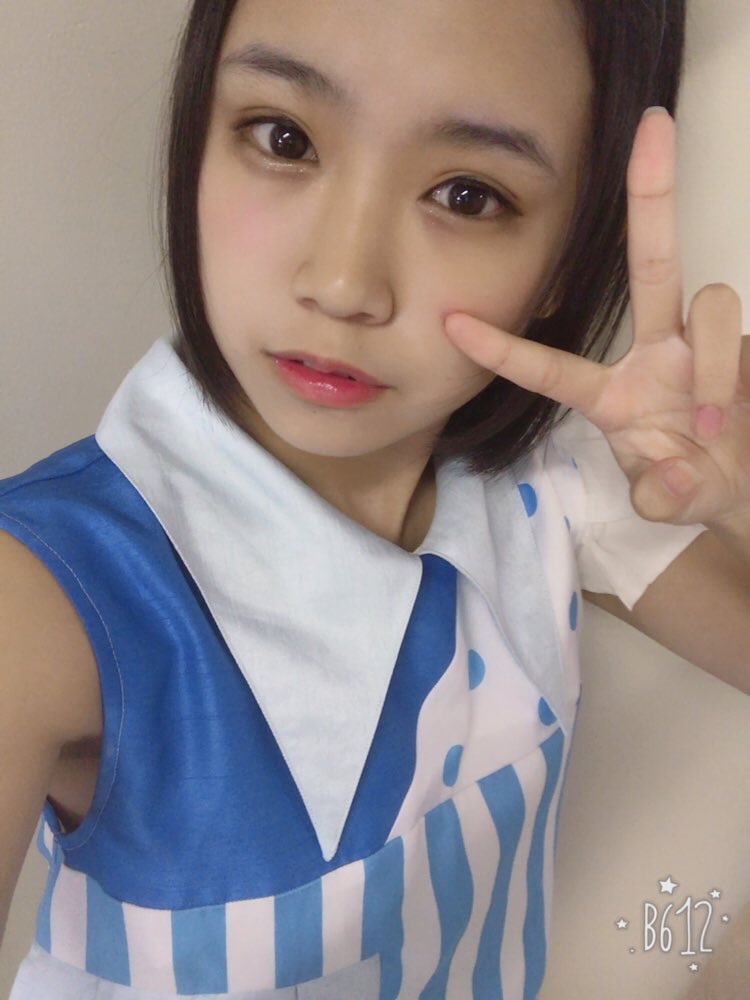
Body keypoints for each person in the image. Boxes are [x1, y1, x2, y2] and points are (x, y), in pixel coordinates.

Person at [1, 0, 747, 997]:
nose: (346, 282)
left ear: (567, 260)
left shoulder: (555, 483)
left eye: (468, 195)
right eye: (284, 137)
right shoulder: (40, 594)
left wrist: (735, 494)